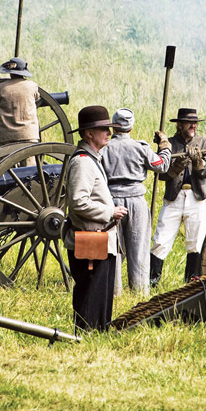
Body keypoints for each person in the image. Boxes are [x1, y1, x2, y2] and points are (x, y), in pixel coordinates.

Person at [64, 106, 128, 331]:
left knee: (100, 293)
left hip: (99, 238)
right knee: (90, 294)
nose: (108, 133)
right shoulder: (82, 161)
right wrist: (110, 213)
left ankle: (97, 334)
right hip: (90, 239)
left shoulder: (92, 159)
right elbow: (78, 202)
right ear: (88, 133)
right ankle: (85, 337)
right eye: (103, 129)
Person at [101, 108, 171, 295]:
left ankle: (113, 291)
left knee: (113, 249)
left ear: (114, 127)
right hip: (136, 202)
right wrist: (165, 146)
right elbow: (161, 165)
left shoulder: (104, 149)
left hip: (111, 202)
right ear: (131, 128)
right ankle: (139, 292)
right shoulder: (141, 148)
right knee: (139, 248)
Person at [150, 107, 206, 285]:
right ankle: (152, 281)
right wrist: (176, 167)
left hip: (195, 198)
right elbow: (161, 174)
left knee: (196, 241)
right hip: (174, 198)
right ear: (180, 125)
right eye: (189, 123)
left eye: (195, 122)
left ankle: (191, 283)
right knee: (161, 240)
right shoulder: (168, 144)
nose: (193, 125)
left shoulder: (204, 143)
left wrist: (198, 162)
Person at [0, 57, 40, 148]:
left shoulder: (1, 87)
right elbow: (37, 99)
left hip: (6, 135)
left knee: (5, 162)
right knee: (30, 162)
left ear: (10, 72)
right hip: (28, 134)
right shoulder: (32, 86)